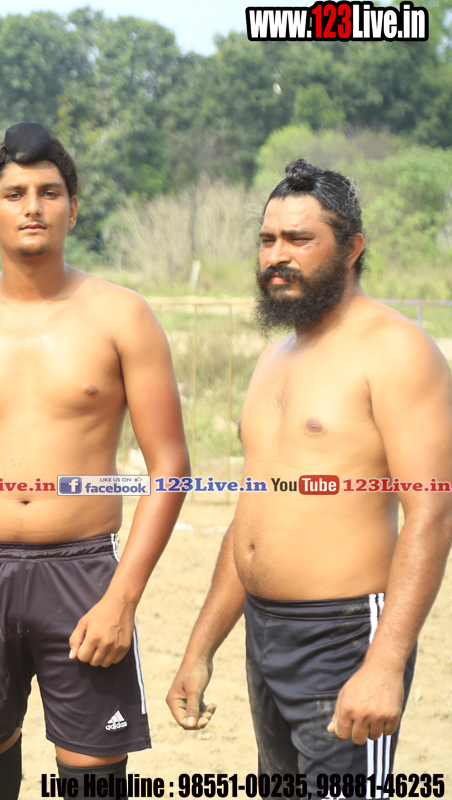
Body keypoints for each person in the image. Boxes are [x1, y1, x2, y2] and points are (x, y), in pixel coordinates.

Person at [0, 123, 190, 799]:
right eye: (15, 194)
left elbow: (170, 467)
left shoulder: (123, 316)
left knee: (93, 781)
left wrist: (122, 599)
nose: (32, 207)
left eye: (49, 192)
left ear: (73, 207)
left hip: (83, 574)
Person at [166, 159, 452, 786]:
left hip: (344, 635)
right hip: (265, 631)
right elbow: (254, 516)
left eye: (299, 239)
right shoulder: (275, 357)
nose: (277, 256)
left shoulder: (396, 350)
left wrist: (385, 662)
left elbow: (432, 512)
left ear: (352, 247)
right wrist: (200, 648)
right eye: (268, 240)